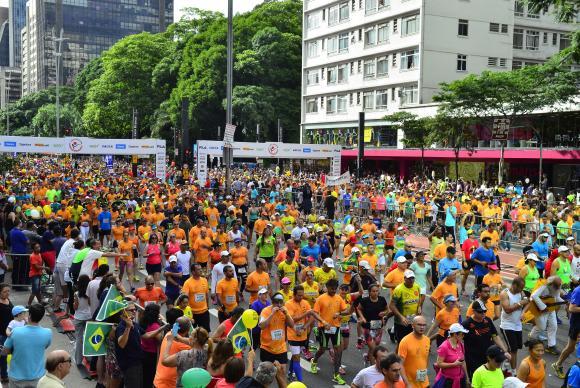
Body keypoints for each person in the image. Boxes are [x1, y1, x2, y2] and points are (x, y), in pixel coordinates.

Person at [2, 304, 52, 387]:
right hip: (38, 377)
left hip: (16, 377)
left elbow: (4, 352)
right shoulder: (48, 333)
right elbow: (44, 346)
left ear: (29, 315)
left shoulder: (15, 331)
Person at [310, 278, 349, 385]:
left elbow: (346, 310)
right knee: (322, 349)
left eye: (335, 289)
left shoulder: (339, 298)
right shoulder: (321, 298)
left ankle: (336, 374)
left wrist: (340, 313)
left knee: (338, 351)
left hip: (335, 328)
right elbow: (314, 313)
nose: (333, 291)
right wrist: (323, 321)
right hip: (324, 328)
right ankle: (314, 361)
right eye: (331, 289)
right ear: (327, 287)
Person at [462, 300, 510, 378]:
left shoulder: (487, 320)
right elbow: (458, 340)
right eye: (480, 312)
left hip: (489, 357)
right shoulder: (466, 324)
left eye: (484, 311)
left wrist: (505, 351)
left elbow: (495, 336)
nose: (483, 313)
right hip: (474, 359)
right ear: (473, 311)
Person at [258, 292, 294, 386]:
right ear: (272, 302)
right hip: (267, 348)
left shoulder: (284, 311)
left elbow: (292, 325)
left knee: (281, 373)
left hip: (281, 348)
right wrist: (272, 314)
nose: (278, 305)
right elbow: (261, 326)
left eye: (280, 302)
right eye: (276, 302)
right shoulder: (266, 311)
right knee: (266, 376)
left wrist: (286, 314)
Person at [499, 276, 528, 373]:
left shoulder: (521, 292)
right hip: (507, 325)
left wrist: (523, 312)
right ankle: (514, 372)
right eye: (521, 287)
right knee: (514, 350)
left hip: (517, 325)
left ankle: (505, 362)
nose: (522, 290)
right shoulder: (505, 294)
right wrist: (520, 303)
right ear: (514, 285)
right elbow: (507, 310)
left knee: (514, 348)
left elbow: (527, 301)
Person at [529, 275, 565, 354]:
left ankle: (551, 346)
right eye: (556, 287)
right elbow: (533, 296)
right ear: (551, 284)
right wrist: (543, 306)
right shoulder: (543, 285)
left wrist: (565, 302)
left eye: (559, 286)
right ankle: (532, 338)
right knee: (541, 327)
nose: (558, 288)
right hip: (540, 309)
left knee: (554, 326)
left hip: (550, 308)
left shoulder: (557, 287)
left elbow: (556, 297)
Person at [153, 316, 192, 388]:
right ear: (187, 331)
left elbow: (174, 329)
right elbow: (200, 345)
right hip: (169, 383)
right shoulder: (183, 345)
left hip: (159, 379)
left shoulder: (168, 335)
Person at [285, 285, 313, 382]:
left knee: (296, 355)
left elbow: (312, 316)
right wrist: (305, 314)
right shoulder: (288, 304)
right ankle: (300, 381)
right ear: (294, 294)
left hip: (303, 334)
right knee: (297, 357)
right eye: (299, 295)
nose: (301, 297)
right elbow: (292, 319)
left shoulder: (305, 302)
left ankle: (290, 372)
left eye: (302, 295)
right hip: (292, 335)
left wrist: (305, 327)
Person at [356, 283, 389, 364]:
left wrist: (384, 313)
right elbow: (358, 309)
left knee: (374, 346)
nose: (375, 293)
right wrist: (362, 318)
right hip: (367, 327)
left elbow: (387, 310)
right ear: (369, 292)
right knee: (374, 349)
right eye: (373, 291)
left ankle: (367, 356)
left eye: (377, 291)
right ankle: (373, 367)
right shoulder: (365, 301)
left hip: (378, 327)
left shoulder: (382, 299)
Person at [553, 283, 580, 379]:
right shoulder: (578, 290)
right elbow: (571, 308)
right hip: (577, 324)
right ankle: (558, 364)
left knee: (572, 347)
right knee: (571, 348)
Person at [115, 302, 144, 388]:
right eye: (131, 310)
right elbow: (122, 344)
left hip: (138, 362)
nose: (134, 311)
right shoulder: (121, 326)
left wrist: (162, 328)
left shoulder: (134, 324)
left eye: (135, 309)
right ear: (124, 312)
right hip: (129, 365)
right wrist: (128, 327)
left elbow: (146, 335)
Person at [390, 269, 421, 347]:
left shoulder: (417, 286)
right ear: (404, 278)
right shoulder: (399, 289)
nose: (411, 280)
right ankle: (396, 359)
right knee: (401, 344)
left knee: (412, 342)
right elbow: (391, 305)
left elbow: (419, 298)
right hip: (401, 322)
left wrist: (419, 306)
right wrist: (401, 317)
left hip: (413, 321)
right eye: (409, 278)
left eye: (412, 278)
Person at [433, 323, 470, 388]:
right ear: (455, 334)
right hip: (448, 382)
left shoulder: (461, 344)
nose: (463, 336)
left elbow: (463, 362)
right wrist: (453, 364)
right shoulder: (444, 347)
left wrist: (467, 378)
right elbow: (439, 364)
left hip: (460, 379)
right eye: (462, 334)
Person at [398, 315, 430, 388]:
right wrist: (407, 383)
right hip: (411, 384)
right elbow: (400, 364)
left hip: (424, 381)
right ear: (412, 325)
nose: (422, 327)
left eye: (424, 325)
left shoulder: (427, 340)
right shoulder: (405, 342)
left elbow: (425, 358)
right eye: (419, 324)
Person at [140, 303, 166, 388]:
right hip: (151, 355)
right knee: (150, 377)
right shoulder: (155, 326)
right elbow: (160, 339)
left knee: (144, 377)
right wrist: (162, 326)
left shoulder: (142, 321)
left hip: (143, 350)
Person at [181, 263, 210, 332]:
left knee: (205, 333)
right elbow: (185, 297)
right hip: (192, 313)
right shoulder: (187, 283)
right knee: (191, 333)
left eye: (201, 269)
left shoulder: (204, 280)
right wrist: (186, 311)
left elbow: (206, 295)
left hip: (204, 312)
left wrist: (207, 307)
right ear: (193, 272)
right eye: (198, 269)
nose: (201, 271)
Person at [72, 274, 92, 367]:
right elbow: (90, 304)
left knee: (79, 339)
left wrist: (74, 303)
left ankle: (78, 360)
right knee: (88, 338)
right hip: (88, 316)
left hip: (79, 317)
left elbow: (75, 308)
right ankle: (89, 358)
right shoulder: (89, 294)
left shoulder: (76, 293)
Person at [0, 284, 13, 384]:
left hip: (11, 333)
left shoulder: (8, 300)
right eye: (5, 291)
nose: (7, 293)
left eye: (8, 291)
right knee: (3, 356)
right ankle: (4, 376)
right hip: (2, 334)